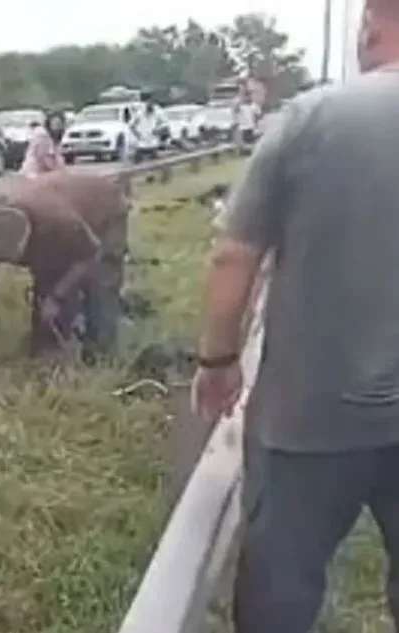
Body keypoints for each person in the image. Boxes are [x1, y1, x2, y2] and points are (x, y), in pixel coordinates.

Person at [191, 1, 399, 630]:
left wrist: (218, 361)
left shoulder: (312, 118)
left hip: (306, 421)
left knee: (279, 596)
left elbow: (235, 256)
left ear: (371, 27)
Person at [0, 169, 128, 356]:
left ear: (30, 241)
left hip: (105, 211)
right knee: (48, 282)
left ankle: (101, 351)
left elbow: (89, 256)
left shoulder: (58, 223)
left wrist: (56, 297)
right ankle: (48, 347)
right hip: (60, 202)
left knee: (100, 284)